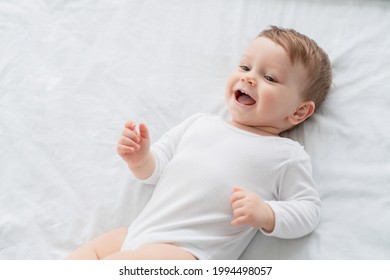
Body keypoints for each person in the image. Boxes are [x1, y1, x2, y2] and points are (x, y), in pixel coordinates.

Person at [65, 26, 332, 260]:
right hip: (137, 235)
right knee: (94, 251)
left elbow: (308, 210)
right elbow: (155, 172)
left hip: (188, 254)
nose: (249, 78)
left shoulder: (285, 155)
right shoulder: (200, 124)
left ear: (298, 112)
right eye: (245, 67)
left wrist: (267, 213)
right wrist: (141, 159)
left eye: (270, 78)